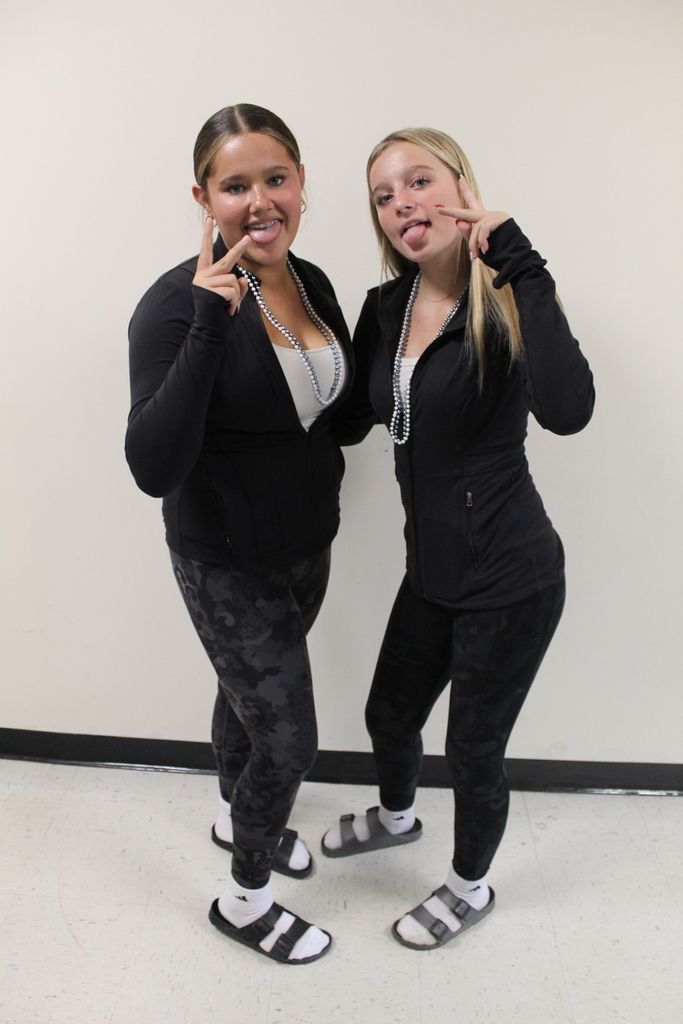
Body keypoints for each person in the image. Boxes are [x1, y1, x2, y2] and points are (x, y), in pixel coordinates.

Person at [322, 128, 595, 950]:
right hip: (433, 571)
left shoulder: (505, 298)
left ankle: (468, 888)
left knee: (472, 751)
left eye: (418, 180)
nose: (402, 202)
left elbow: (569, 410)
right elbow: (348, 418)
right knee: (387, 714)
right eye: (383, 194)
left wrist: (522, 264)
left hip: (511, 578)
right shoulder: (387, 307)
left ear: (460, 187)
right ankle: (399, 818)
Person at [126, 104, 353, 964]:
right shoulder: (172, 310)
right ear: (203, 197)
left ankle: (232, 815)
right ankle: (245, 901)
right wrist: (209, 326)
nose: (258, 201)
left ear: (299, 185)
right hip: (223, 555)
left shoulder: (311, 278)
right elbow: (152, 463)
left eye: (275, 178)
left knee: (246, 700)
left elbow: (335, 403)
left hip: (306, 540)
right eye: (235, 185)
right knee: (289, 740)